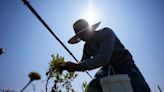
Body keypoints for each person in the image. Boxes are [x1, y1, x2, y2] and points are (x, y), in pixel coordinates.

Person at [61, 19, 151, 92]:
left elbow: (104, 57)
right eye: (81, 35)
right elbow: (83, 63)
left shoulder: (106, 32)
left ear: (90, 29)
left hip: (125, 64)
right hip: (107, 68)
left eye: (85, 32)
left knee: (141, 88)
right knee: (93, 87)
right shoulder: (87, 47)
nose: (83, 36)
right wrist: (68, 66)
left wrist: (78, 66)